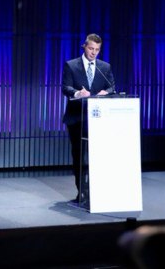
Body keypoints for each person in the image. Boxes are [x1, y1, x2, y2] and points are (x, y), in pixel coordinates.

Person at [61, 33, 115, 203]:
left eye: (97, 50)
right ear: (84, 46)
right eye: (91, 48)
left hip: (97, 119)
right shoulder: (71, 65)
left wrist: (107, 92)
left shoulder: (104, 67)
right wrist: (78, 93)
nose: (93, 52)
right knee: (79, 156)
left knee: (96, 156)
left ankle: (96, 190)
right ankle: (82, 191)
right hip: (77, 118)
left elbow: (112, 86)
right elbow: (65, 87)